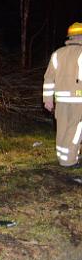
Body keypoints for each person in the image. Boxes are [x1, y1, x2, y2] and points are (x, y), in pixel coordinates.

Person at [43, 22, 82, 168]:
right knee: (76, 129)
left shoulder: (57, 54)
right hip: (79, 100)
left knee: (62, 128)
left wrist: (47, 100)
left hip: (60, 101)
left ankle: (62, 156)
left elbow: (48, 78)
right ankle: (69, 160)